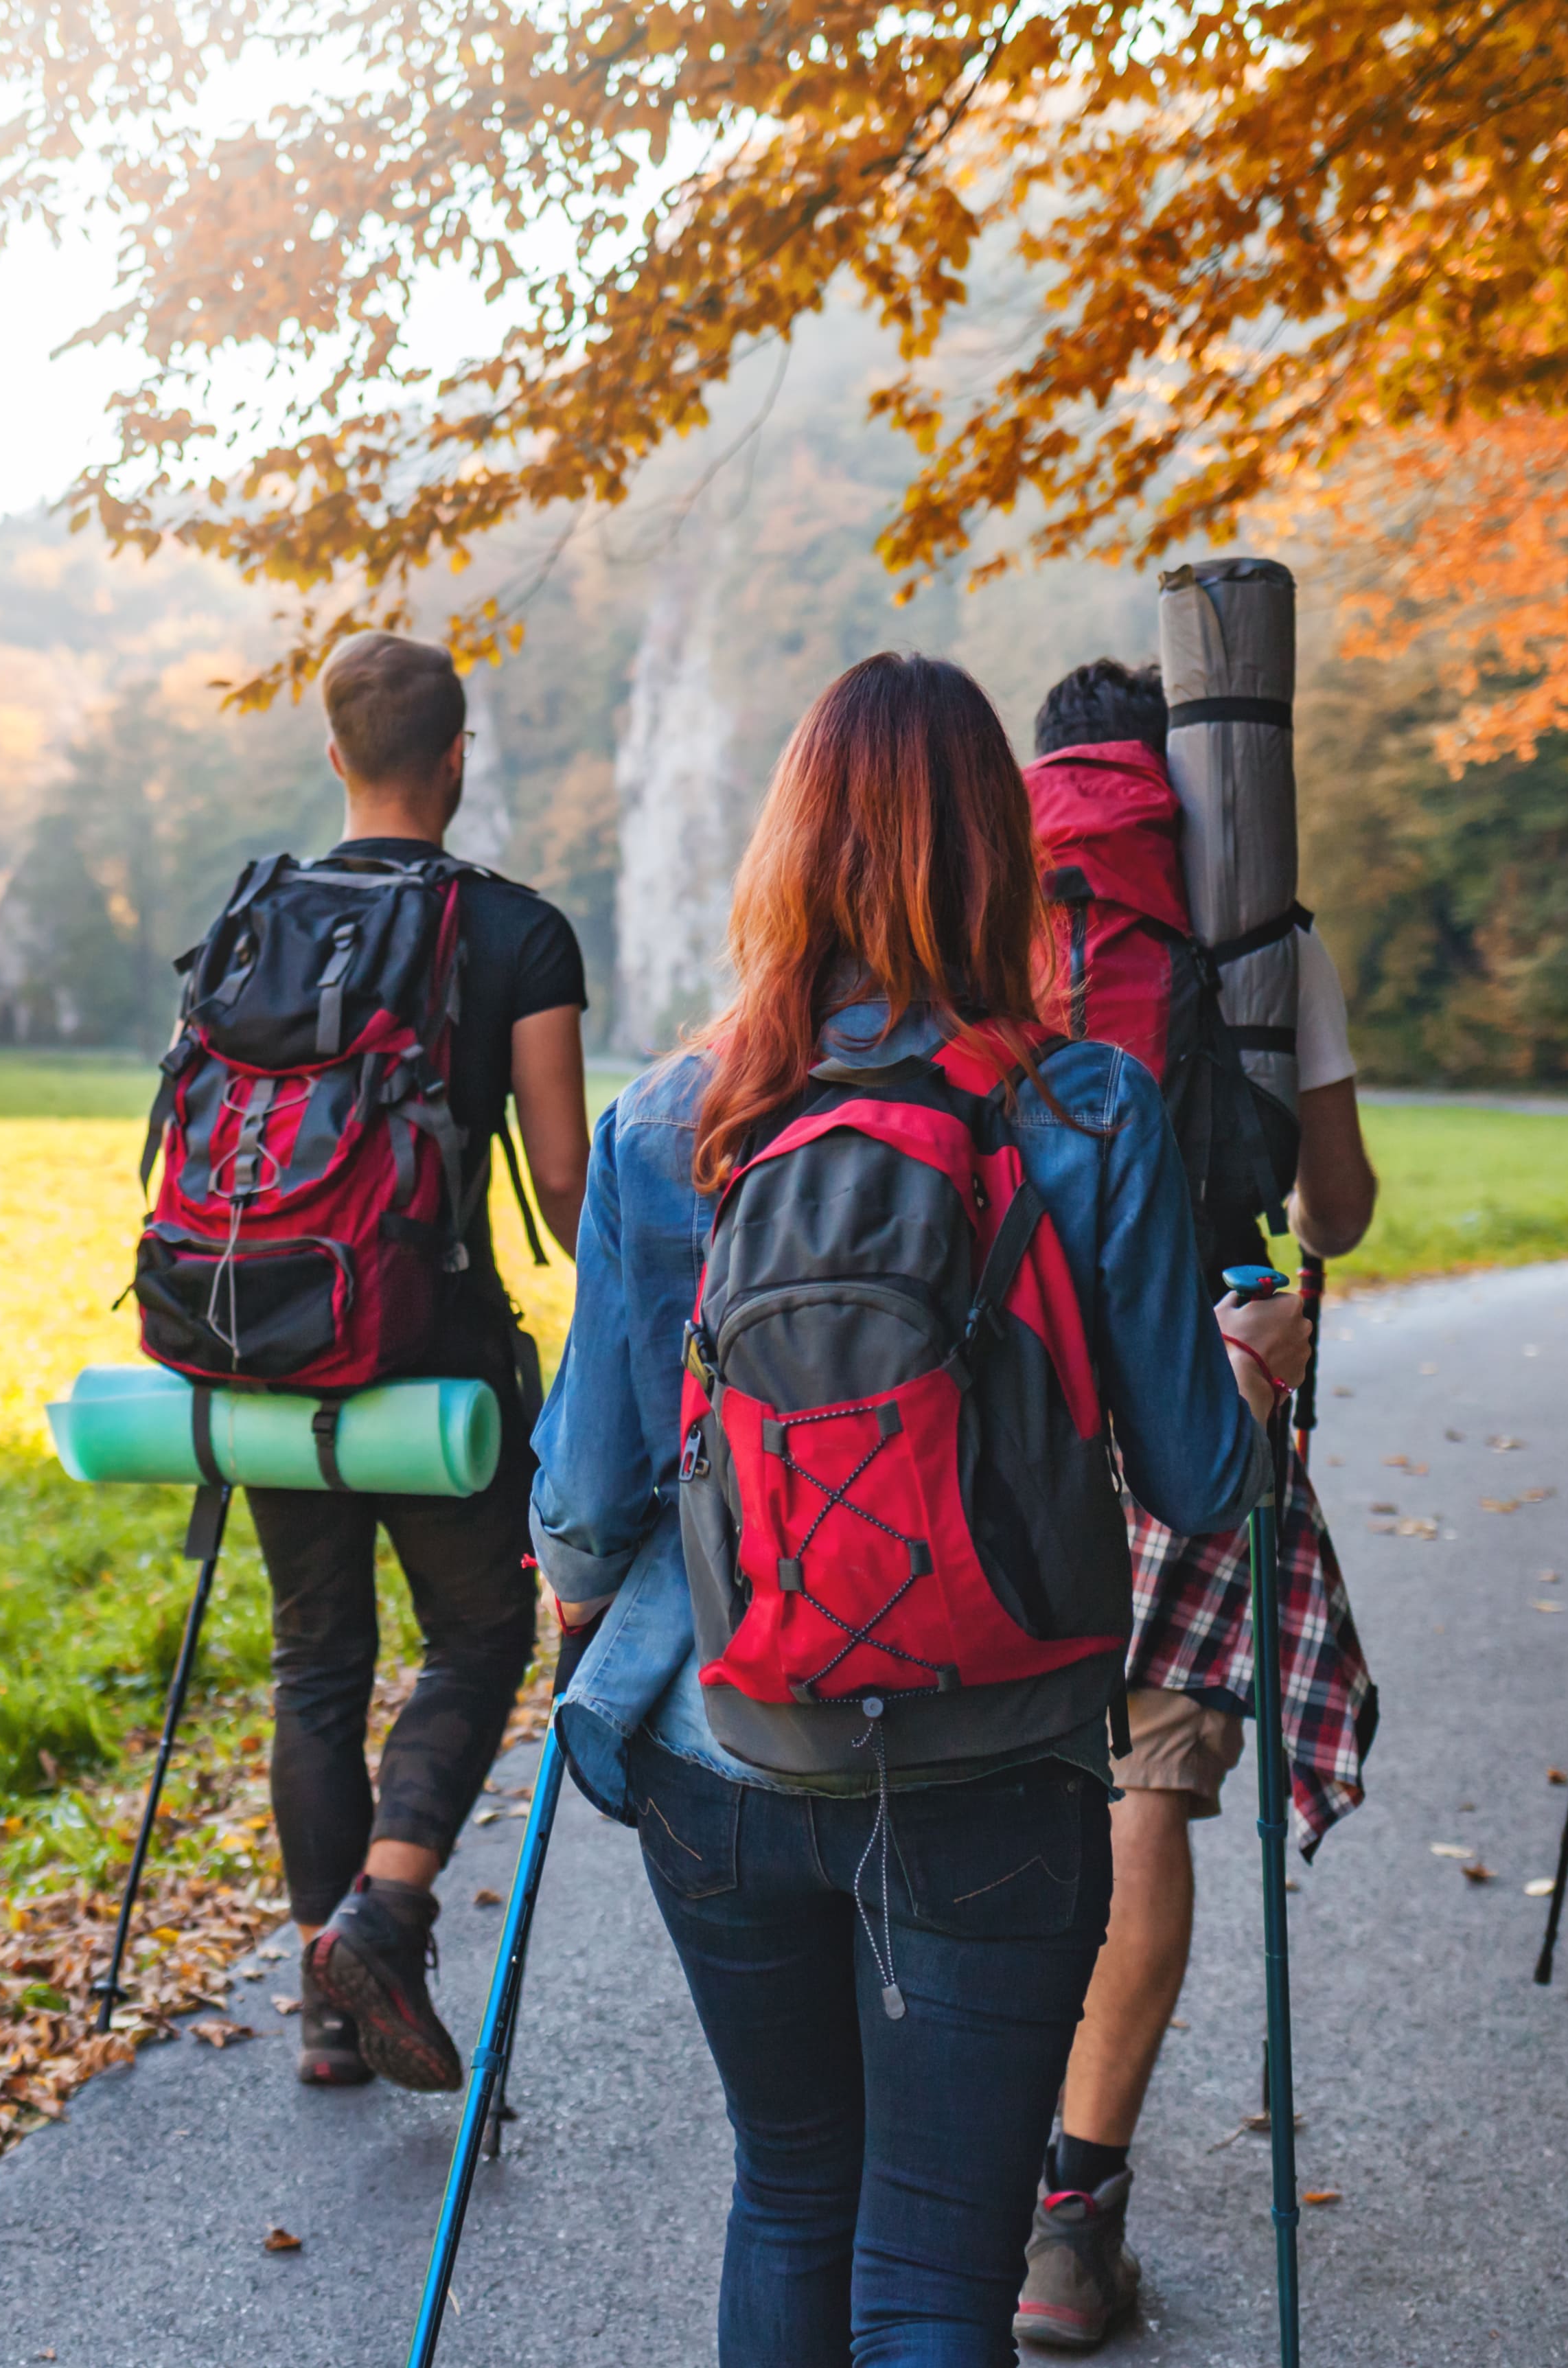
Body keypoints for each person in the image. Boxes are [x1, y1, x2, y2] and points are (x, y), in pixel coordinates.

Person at [529, 652, 1310, 2365]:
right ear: (998, 854)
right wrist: (1256, 1365)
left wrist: (596, 1590)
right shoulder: (1081, 1105)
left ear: (788, 849)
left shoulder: (674, 1117)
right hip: (1000, 1753)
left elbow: (584, 1506)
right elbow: (1196, 1482)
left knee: (793, 2193)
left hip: (724, 1751)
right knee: (938, 2267)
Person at [1008, 656, 1380, 2350]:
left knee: (995, 1747)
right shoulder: (1260, 936)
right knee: (1151, 1766)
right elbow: (1343, 1205)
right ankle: (1074, 2223)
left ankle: (959, 2148)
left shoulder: (981, 902)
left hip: (999, 1380)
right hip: (1200, 1368)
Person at [258, 632, 592, 2092]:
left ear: (333, 757)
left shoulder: (253, 919)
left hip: (260, 1348)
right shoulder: (519, 934)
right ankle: (384, 1915)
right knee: (479, 1635)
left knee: (316, 1659)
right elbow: (568, 1179)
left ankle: (329, 2008)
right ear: (460, 759)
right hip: (433, 1367)